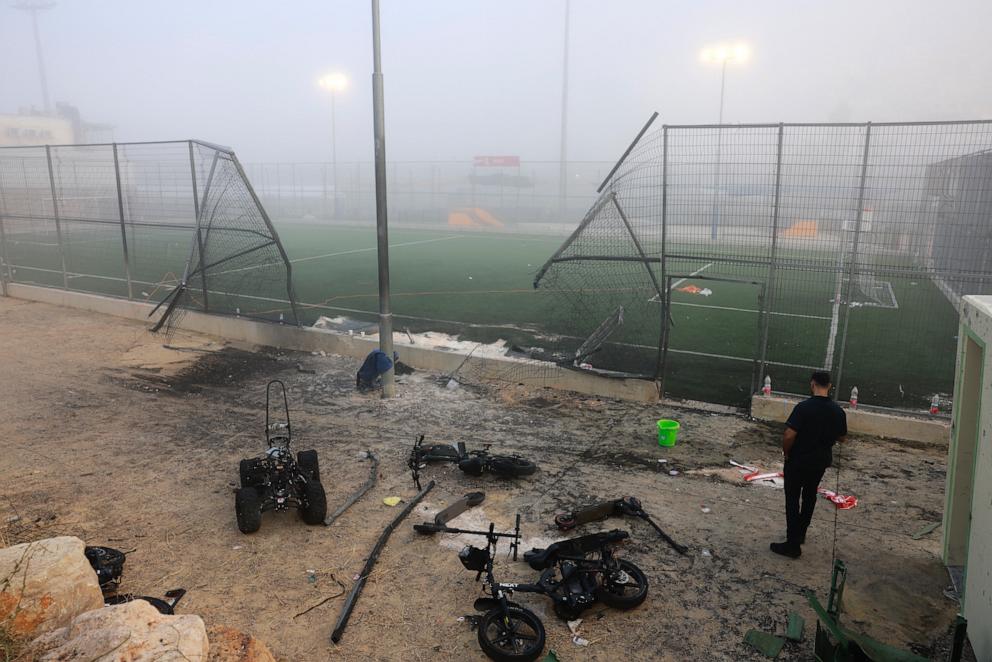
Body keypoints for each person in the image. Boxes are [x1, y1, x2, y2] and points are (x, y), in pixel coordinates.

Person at [770, 371, 847, 559]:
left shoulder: (804, 407)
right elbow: (842, 437)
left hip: (798, 460)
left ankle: (792, 543)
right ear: (829, 386)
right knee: (810, 496)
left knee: (792, 498)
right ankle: (801, 533)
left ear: (812, 384)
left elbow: (789, 434)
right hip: (819, 461)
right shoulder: (837, 411)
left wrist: (786, 452)